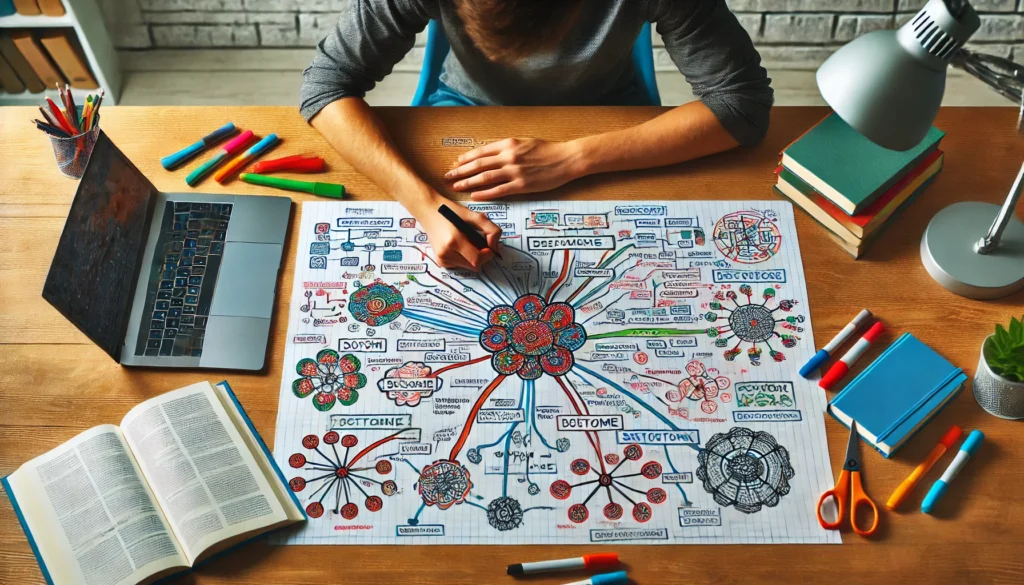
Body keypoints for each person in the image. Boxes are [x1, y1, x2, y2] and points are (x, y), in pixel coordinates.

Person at [301, 0, 773, 271]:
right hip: (464, 108)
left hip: (609, 115)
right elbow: (325, 86)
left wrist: (574, 158)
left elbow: (742, 105)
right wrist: (426, 205)